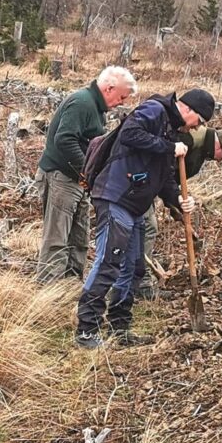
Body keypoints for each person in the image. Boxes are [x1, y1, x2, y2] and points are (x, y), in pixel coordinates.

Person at [77, 88, 215, 349]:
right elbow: (130, 134)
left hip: (135, 204)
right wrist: (168, 147)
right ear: (189, 110)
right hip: (115, 195)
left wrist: (178, 200)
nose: (198, 127)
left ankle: (120, 327)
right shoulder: (155, 110)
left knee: (134, 267)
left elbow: (164, 178)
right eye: (200, 120)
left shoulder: (173, 131)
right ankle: (86, 330)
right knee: (109, 263)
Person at [35, 67, 137, 283]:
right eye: (121, 97)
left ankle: (71, 285)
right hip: (60, 177)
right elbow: (64, 139)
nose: (121, 102)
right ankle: (47, 290)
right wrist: (88, 169)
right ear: (109, 88)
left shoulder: (96, 108)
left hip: (79, 181)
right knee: (57, 239)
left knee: (79, 237)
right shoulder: (82, 102)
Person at [134, 126, 222, 300]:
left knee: (145, 228)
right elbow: (165, 176)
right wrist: (177, 204)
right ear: (219, 146)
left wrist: (180, 215)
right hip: (139, 182)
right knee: (147, 228)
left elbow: (169, 184)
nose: (221, 161)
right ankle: (140, 284)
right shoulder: (188, 140)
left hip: (151, 186)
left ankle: (133, 280)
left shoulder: (200, 151)